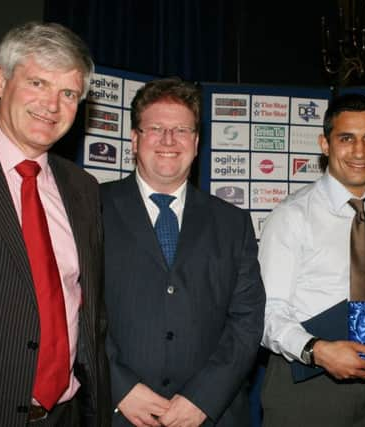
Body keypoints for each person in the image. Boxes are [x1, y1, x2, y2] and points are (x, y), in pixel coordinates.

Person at [0, 21, 110, 425]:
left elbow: (88, 309)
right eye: (37, 83)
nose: (52, 105)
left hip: (67, 414)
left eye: (68, 93)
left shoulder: (83, 188)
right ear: (1, 81)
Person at [102, 77, 266, 427]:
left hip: (210, 416)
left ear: (195, 142)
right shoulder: (90, 208)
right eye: (156, 128)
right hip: (116, 413)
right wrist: (120, 387)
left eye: (180, 130)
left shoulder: (232, 223)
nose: (168, 140)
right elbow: (74, 306)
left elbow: (247, 321)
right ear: (134, 139)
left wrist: (202, 399)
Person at [258, 93, 365, 426]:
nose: (359, 152)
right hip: (304, 382)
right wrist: (317, 350)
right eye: (346, 138)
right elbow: (266, 313)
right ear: (324, 143)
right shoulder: (292, 216)